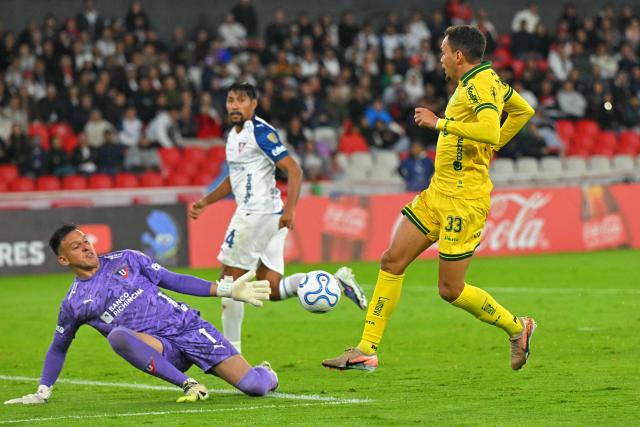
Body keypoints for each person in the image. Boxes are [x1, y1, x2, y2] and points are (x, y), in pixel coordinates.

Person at [322, 25, 537, 372]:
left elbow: (490, 128)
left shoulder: (481, 84)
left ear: (458, 56)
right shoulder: (485, 81)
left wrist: (442, 124)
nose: (439, 59)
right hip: (439, 192)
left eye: (442, 52)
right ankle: (366, 350)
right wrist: (492, 145)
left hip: (464, 200)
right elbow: (523, 110)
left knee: (450, 289)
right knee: (392, 260)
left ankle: (517, 327)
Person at [4, 224, 276, 405]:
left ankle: (267, 372)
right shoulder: (74, 303)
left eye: (86, 241)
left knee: (253, 386)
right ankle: (189, 384)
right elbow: (58, 347)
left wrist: (226, 289)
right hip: (161, 349)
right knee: (118, 336)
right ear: (63, 260)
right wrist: (43, 391)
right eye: (76, 246)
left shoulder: (128, 259)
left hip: (188, 328)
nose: (87, 247)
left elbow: (175, 281)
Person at [190, 82, 367, 353]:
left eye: (241, 100)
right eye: (230, 100)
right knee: (270, 288)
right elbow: (233, 179)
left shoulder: (260, 132)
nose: (234, 105)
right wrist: (205, 202)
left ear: (254, 104)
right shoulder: (232, 136)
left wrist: (291, 210)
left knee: (229, 282)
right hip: (266, 215)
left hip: (256, 214)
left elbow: (294, 170)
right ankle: (336, 282)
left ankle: (231, 355)